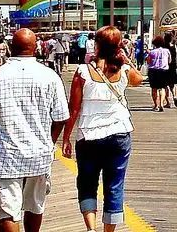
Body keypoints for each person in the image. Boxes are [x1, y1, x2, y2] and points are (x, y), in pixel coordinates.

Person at [0, 28, 69, 232]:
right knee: (35, 205)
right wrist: (50, 140)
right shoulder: (50, 77)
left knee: (8, 212)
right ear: (36, 48)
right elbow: (61, 117)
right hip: (39, 154)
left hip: (6, 156)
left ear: (10, 47)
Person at [62, 26, 144, 232]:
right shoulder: (123, 69)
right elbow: (139, 80)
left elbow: (74, 108)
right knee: (115, 185)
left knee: (87, 182)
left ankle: (91, 229)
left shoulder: (83, 71)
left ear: (96, 45)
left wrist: (66, 138)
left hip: (89, 135)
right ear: (118, 45)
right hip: (119, 132)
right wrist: (126, 59)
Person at [146, 36, 171, 112]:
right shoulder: (167, 51)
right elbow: (169, 61)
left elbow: (148, 61)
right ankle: (161, 104)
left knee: (154, 89)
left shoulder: (152, 52)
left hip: (153, 71)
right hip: (164, 71)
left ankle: (156, 105)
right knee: (162, 88)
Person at [163, 33, 177, 108]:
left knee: (165, 85)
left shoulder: (163, 47)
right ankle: (174, 96)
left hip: (165, 66)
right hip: (173, 66)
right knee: (172, 84)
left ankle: (168, 102)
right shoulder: (174, 46)